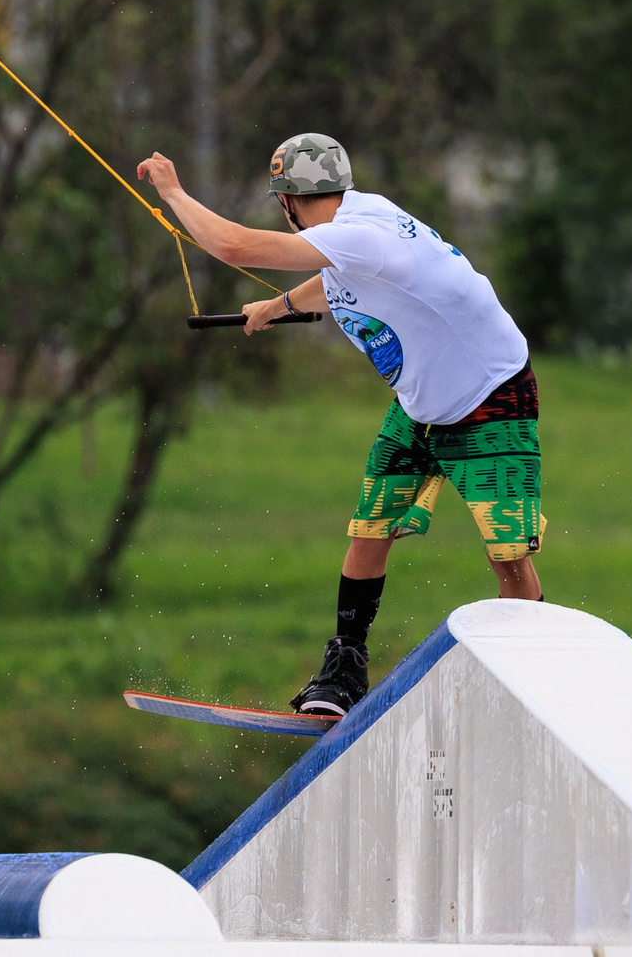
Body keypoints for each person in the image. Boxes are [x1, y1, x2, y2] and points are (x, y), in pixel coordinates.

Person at [136, 133, 542, 717]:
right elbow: (340, 280)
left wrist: (174, 192)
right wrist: (277, 306)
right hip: (421, 406)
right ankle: (344, 671)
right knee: (369, 529)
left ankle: (534, 675)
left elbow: (232, 245)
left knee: (508, 553)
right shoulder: (358, 225)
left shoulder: (361, 234)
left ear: (287, 202)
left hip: (491, 397)